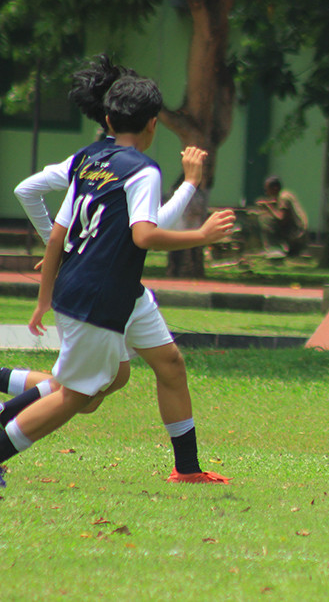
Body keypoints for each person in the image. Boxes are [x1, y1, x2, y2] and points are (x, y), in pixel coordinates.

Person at [5, 54, 231, 484]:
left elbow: (56, 233)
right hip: (101, 291)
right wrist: (201, 231)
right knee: (77, 396)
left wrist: (47, 291)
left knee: (160, 366)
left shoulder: (88, 159)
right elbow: (146, 233)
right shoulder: (140, 169)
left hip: (119, 289)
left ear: (108, 117)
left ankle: (187, 469)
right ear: (153, 125)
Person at [255, 175, 308, 258]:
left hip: (296, 233)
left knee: (265, 219)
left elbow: (281, 218)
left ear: (275, 188)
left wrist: (268, 207)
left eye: (267, 190)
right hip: (299, 232)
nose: (266, 193)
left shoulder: (284, 197)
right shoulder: (286, 194)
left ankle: (275, 248)